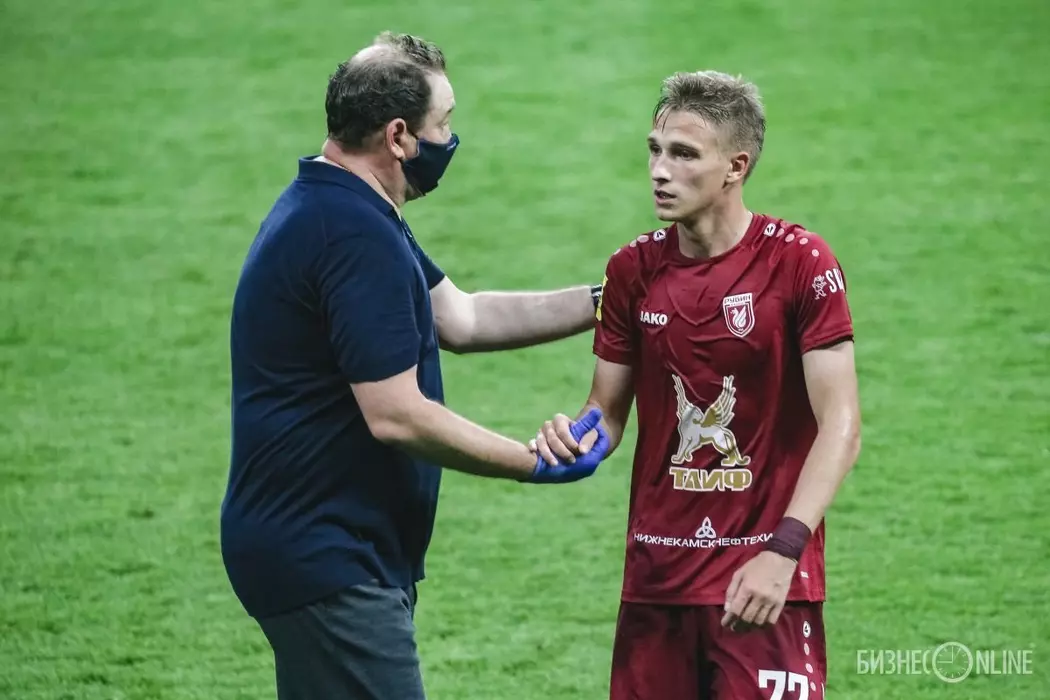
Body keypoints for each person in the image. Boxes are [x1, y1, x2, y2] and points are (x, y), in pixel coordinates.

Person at [220, 31, 610, 700]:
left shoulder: (343, 205)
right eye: (444, 123)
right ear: (399, 136)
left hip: (318, 545)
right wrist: (531, 462)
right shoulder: (351, 233)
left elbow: (464, 318)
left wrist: (610, 300)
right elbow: (397, 415)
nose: (450, 139)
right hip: (327, 552)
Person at [533, 70, 862, 699]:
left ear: (736, 166)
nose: (660, 170)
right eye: (655, 150)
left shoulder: (800, 263)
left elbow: (841, 426)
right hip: (658, 580)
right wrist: (573, 437)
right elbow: (606, 412)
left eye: (684, 154)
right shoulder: (631, 269)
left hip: (763, 580)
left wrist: (784, 551)